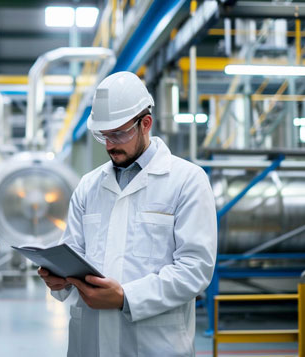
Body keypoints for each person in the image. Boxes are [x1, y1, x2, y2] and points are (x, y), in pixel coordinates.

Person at [38, 71, 217, 356]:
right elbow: (72, 252)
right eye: (103, 135)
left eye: (118, 133)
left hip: (155, 343)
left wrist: (125, 297)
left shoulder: (187, 181)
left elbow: (195, 269)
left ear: (145, 123)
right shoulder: (88, 186)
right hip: (90, 343)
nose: (110, 145)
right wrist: (58, 281)